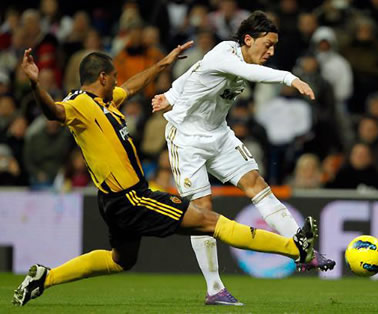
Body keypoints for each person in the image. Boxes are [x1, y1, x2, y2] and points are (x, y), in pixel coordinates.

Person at [12, 44, 321, 307]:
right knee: (210, 222)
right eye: (114, 77)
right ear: (102, 77)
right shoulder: (78, 103)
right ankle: (296, 248)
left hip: (114, 201)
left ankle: (46, 277)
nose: (118, 82)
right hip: (132, 197)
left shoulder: (104, 101)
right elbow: (54, 112)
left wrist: (163, 63)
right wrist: (36, 85)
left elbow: (132, 86)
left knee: (121, 260)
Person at [151, 11, 335, 305]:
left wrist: (171, 94)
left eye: (275, 46)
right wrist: (290, 78)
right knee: (202, 212)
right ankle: (214, 289)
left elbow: (193, 71)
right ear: (248, 39)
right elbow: (248, 75)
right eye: (268, 44)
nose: (271, 51)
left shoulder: (230, 59)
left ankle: (304, 252)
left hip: (219, 134)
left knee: (255, 182)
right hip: (187, 139)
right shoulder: (225, 53)